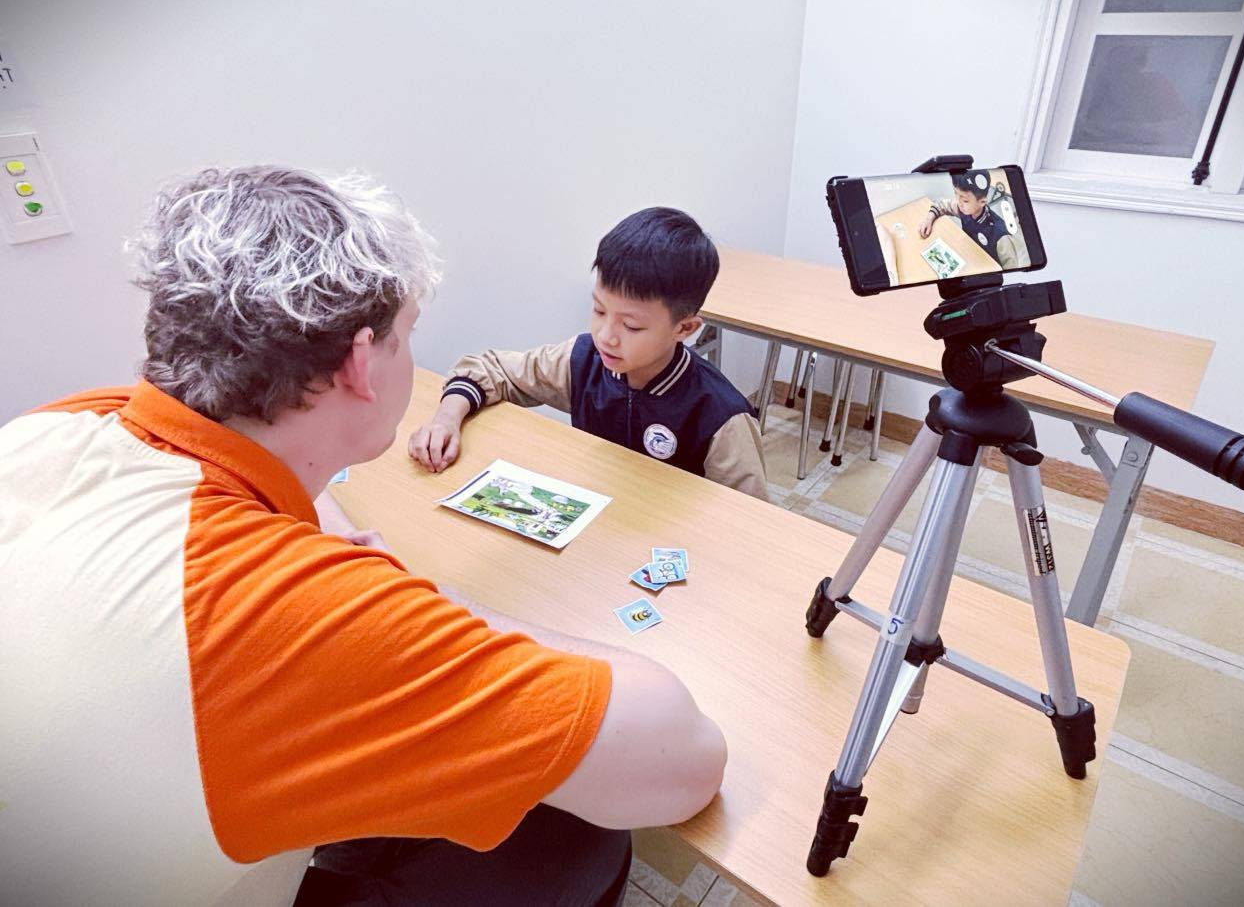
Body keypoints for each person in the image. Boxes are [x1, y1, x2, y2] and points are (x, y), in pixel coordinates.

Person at [0, 166, 727, 907]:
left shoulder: (65, 423)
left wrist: (346, 554)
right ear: (360, 364)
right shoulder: (297, 614)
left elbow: (276, 496)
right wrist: (424, 600)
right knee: (579, 839)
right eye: (408, 337)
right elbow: (686, 761)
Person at [409, 208, 769, 502]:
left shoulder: (722, 417)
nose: (606, 336)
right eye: (598, 310)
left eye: (631, 326)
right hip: (595, 530)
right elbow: (491, 369)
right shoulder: (582, 361)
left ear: (685, 329)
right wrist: (446, 419)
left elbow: (751, 524)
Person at [918, 170, 1019, 270]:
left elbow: (1012, 269)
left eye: (965, 200)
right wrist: (928, 219)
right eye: (956, 194)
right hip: (969, 257)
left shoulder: (1001, 236)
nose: (959, 202)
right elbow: (941, 205)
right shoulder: (963, 209)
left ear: (982, 202)